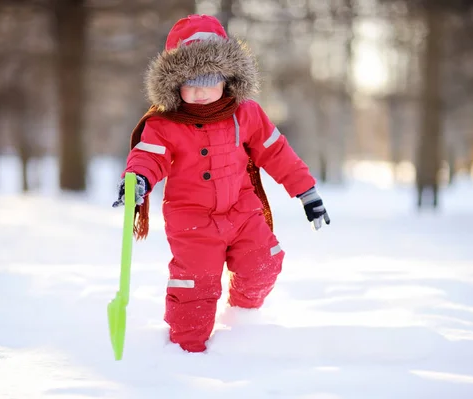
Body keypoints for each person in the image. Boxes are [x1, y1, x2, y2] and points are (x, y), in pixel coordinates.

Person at [113, 14, 330, 353]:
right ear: (173, 83)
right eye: (190, 81)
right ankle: (185, 353)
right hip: (192, 221)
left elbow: (276, 152)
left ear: (228, 78)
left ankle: (242, 321)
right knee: (194, 289)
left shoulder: (246, 113)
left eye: (210, 78)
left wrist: (307, 191)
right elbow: (149, 155)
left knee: (264, 263)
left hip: (242, 211)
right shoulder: (165, 123)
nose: (201, 91)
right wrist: (138, 179)